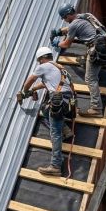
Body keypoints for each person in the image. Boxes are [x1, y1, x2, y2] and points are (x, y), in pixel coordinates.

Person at [19, 47, 76, 176]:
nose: (39, 63)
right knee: (45, 109)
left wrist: (25, 91)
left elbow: (30, 80)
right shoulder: (59, 68)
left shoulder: (44, 66)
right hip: (67, 102)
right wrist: (34, 90)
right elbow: (46, 84)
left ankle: (55, 166)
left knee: (55, 133)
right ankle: (66, 130)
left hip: (58, 101)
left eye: (39, 61)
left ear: (42, 58)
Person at [51, 3, 104, 118]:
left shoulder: (73, 25)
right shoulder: (85, 15)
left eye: (65, 18)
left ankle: (96, 108)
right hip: (104, 47)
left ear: (67, 15)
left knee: (90, 79)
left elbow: (66, 44)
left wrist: (56, 43)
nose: (65, 20)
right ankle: (86, 63)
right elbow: (72, 28)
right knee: (84, 61)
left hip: (95, 50)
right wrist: (59, 32)